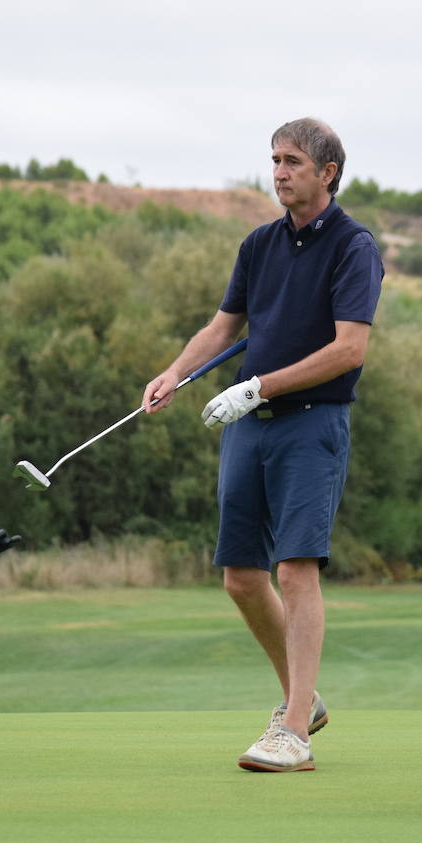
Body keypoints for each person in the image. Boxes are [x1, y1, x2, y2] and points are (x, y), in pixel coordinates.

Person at [142, 118, 383, 772]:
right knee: (242, 576)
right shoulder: (259, 244)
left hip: (312, 424)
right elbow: (224, 326)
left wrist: (258, 387)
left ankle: (294, 730)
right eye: (274, 159)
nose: (278, 171)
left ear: (327, 172)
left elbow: (350, 349)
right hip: (251, 428)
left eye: (293, 162)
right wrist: (175, 373)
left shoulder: (353, 247)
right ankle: (305, 700)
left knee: (295, 569)